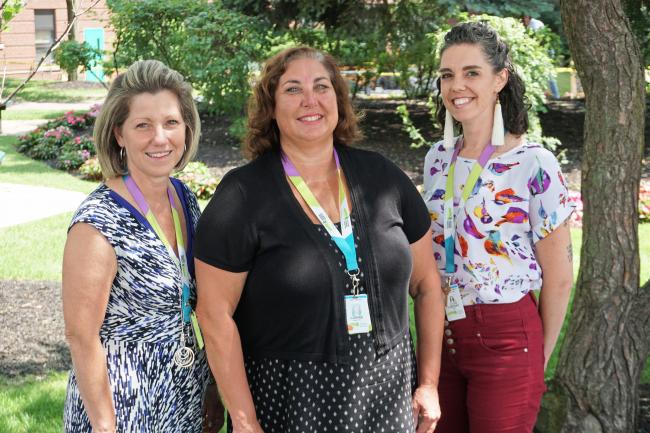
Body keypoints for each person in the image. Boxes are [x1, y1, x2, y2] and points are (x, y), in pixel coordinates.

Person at [194, 46, 445, 433]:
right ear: (271, 108)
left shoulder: (383, 178)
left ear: (338, 101)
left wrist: (428, 384)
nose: (310, 100)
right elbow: (213, 314)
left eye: (321, 87)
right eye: (293, 89)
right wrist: (244, 421)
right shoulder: (242, 196)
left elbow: (428, 285)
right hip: (292, 406)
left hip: (388, 402)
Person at [423, 22, 574, 433]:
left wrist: (535, 361)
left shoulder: (534, 163)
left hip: (507, 338)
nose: (458, 86)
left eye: (472, 73)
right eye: (447, 75)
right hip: (441, 334)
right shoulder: (437, 158)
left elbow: (559, 279)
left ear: (499, 79)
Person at [62, 60, 224, 433]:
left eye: (170, 122)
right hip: (123, 403)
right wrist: (105, 426)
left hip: (184, 393)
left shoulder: (184, 198)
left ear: (186, 127)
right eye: (142, 125)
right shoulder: (97, 221)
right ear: (119, 134)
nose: (160, 138)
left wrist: (211, 386)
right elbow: (80, 336)